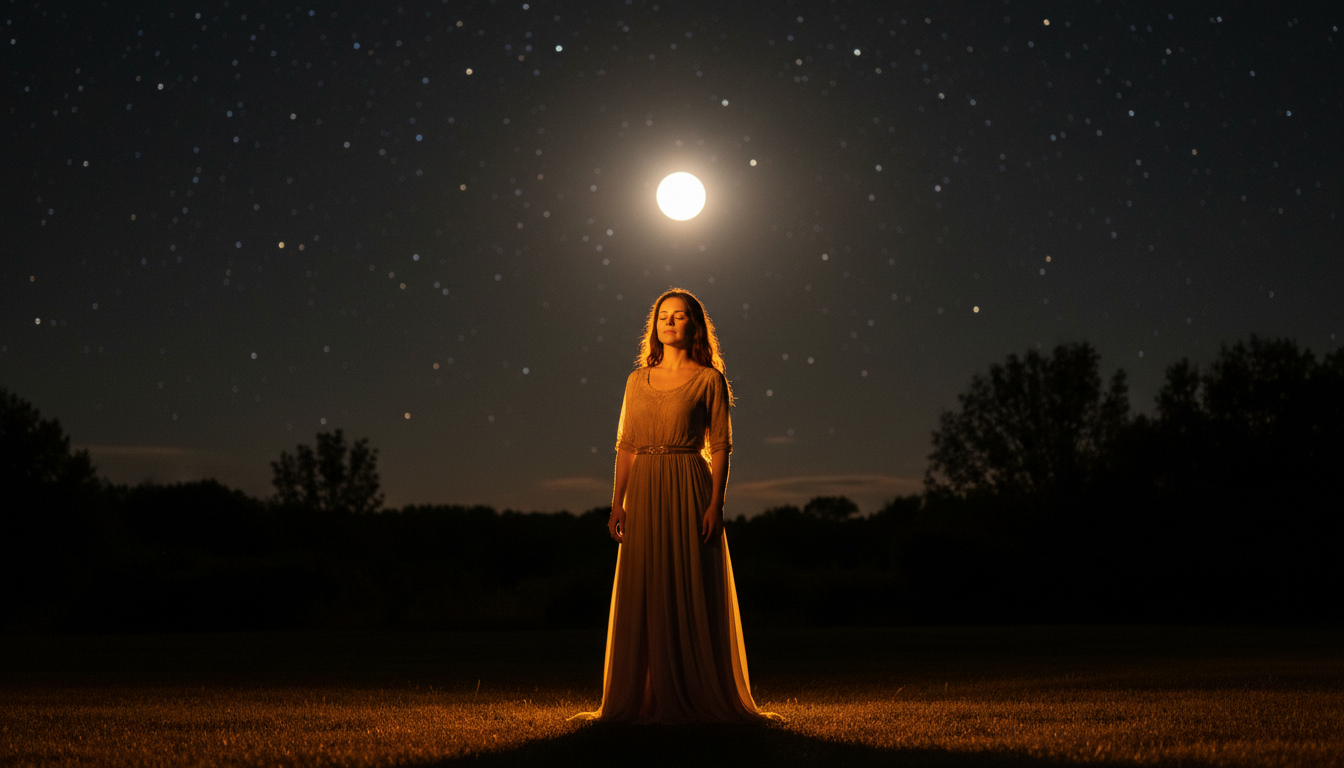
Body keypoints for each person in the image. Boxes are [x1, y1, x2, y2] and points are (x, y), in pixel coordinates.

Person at [571, 288, 780, 724]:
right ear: (654, 326)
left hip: (688, 484)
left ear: (695, 325)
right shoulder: (636, 380)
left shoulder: (709, 380)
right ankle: (643, 693)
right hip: (644, 488)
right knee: (646, 582)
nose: (669, 322)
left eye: (679, 316)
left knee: (688, 580)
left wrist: (715, 504)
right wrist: (617, 505)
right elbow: (625, 447)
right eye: (663, 316)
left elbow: (721, 447)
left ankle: (696, 690)